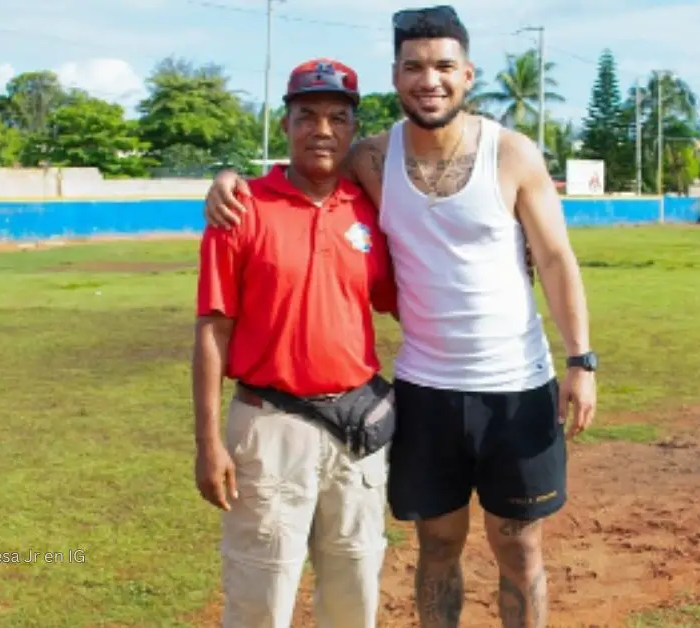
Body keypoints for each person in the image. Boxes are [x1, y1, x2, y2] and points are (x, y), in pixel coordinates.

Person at [200, 6, 597, 627]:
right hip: (425, 391)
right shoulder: (370, 159)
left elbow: (553, 256)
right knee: (435, 546)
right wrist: (225, 176)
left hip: (517, 384)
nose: (428, 79)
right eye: (413, 67)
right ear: (396, 76)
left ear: (467, 74)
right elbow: (307, 164)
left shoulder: (512, 154)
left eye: (443, 66)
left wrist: (581, 359)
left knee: (519, 546)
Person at [191, 57, 399, 628]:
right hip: (269, 427)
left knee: (355, 592)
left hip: (357, 428)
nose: (323, 130)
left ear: (355, 131)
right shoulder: (241, 207)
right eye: (307, 115)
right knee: (262, 596)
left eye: (338, 117)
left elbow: (401, 300)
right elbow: (213, 328)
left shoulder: (370, 210)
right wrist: (209, 442)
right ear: (285, 124)